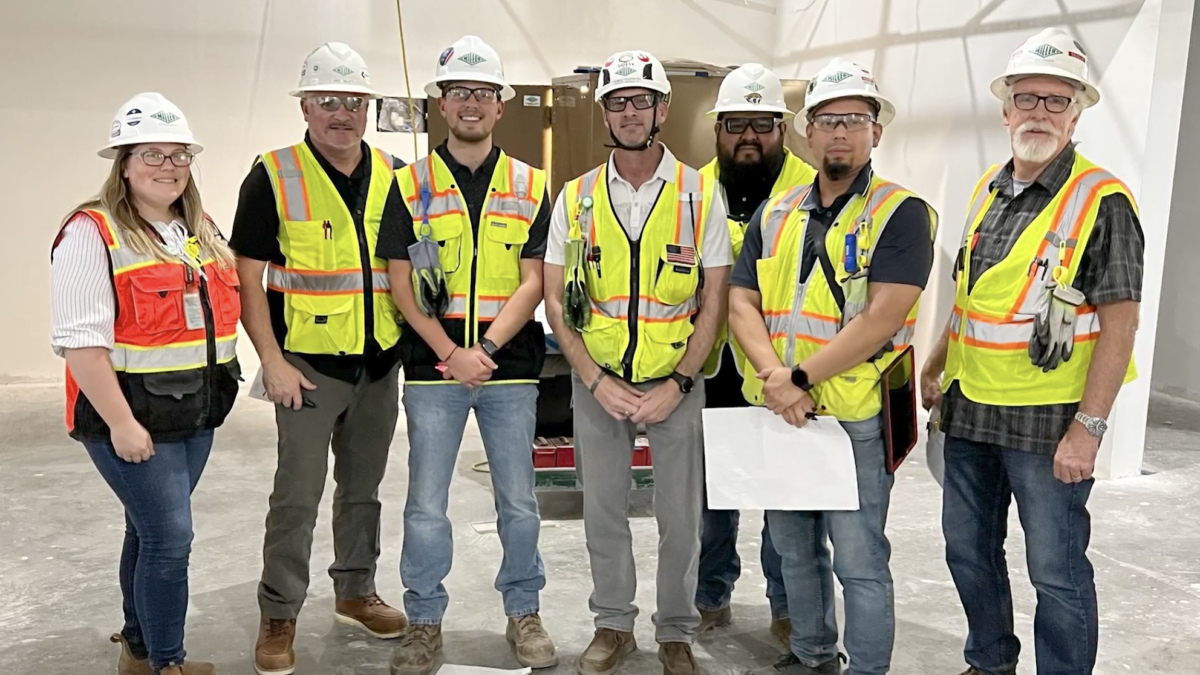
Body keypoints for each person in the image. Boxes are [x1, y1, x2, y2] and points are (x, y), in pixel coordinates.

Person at [920, 28, 1143, 675]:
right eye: (1027, 98)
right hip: (970, 412)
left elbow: (1121, 324)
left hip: (1049, 422)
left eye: (1055, 100)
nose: (1039, 112)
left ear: (1076, 113)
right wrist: (937, 363)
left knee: (1056, 570)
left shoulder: (1104, 202)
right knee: (968, 549)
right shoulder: (988, 186)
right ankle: (990, 662)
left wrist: (1089, 428)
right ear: (1006, 108)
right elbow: (972, 296)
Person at [729, 57, 937, 675]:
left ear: (877, 131)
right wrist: (776, 379)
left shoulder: (902, 214)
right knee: (794, 552)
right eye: (828, 120)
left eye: (856, 119)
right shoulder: (776, 213)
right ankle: (812, 654)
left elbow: (880, 318)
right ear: (807, 132)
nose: (841, 132)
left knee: (860, 561)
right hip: (785, 414)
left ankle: (867, 667)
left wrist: (797, 379)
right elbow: (742, 301)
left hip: (855, 419)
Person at [543, 49, 733, 675]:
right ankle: (613, 625)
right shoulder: (574, 199)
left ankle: (675, 631)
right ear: (604, 112)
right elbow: (556, 299)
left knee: (681, 517)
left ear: (662, 109)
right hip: (599, 382)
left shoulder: (700, 194)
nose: (629, 113)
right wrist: (593, 379)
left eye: (640, 101)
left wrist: (680, 381)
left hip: (675, 383)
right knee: (602, 510)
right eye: (618, 102)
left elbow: (713, 300)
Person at [375, 35, 557, 675]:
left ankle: (524, 614)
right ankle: (423, 621)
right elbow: (401, 280)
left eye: (483, 92)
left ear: (500, 106)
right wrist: (451, 352)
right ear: (442, 105)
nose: (471, 103)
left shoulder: (533, 186)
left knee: (519, 502)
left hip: (509, 365)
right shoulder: (410, 184)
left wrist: (482, 349)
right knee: (426, 505)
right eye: (459, 93)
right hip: (433, 368)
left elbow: (535, 278)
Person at [229, 42, 409, 675]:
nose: (342, 114)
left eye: (354, 102)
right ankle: (279, 613)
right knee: (297, 496)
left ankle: (356, 591)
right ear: (305, 106)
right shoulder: (272, 174)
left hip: (380, 365)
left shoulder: (394, 171)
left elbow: (407, 272)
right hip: (306, 368)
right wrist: (271, 362)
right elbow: (248, 281)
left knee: (363, 491)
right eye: (328, 101)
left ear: (369, 108)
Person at [50, 92, 241, 675]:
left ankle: (137, 649)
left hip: (194, 412)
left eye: (179, 154)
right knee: (171, 540)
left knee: (148, 530)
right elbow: (81, 343)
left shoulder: (197, 227)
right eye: (151, 154)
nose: (168, 166)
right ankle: (168, 664)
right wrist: (122, 424)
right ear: (124, 163)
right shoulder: (92, 231)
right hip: (129, 419)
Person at [694, 62, 817, 644]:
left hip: (782, 376)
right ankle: (709, 596)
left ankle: (786, 605)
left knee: (784, 503)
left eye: (762, 123)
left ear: (783, 129)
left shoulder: (812, 193)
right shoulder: (692, 191)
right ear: (718, 129)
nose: (748, 136)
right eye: (736, 124)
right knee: (710, 498)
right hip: (711, 371)